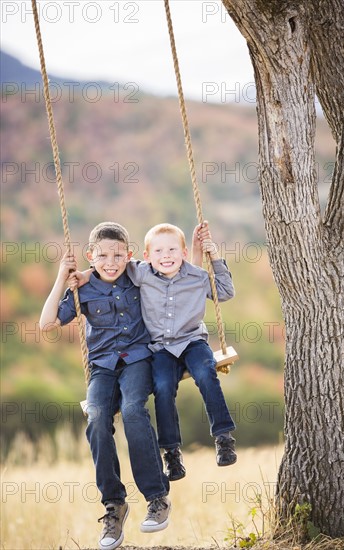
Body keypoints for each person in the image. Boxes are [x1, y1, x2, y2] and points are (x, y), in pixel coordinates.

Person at [40, 222, 171, 550]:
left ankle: (157, 498)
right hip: (103, 368)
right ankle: (114, 506)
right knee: (96, 417)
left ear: (128, 256)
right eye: (102, 256)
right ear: (90, 256)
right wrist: (63, 276)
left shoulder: (138, 275)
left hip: (138, 360)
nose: (110, 262)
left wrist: (202, 250)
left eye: (117, 255)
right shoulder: (80, 289)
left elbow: (173, 267)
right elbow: (46, 324)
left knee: (132, 410)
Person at [74, 221, 237, 483]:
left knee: (206, 373)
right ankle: (171, 453)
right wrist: (85, 275)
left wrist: (213, 255)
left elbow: (226, 292)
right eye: (159, 252)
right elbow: (110, 264)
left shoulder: (196, 275)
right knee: (161, 386)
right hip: (161, 348)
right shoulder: (141, 273)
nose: (166, 256)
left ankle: (223, 437)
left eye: (173, 250)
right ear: (147, 258)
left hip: (193, 341)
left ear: (183, 253)